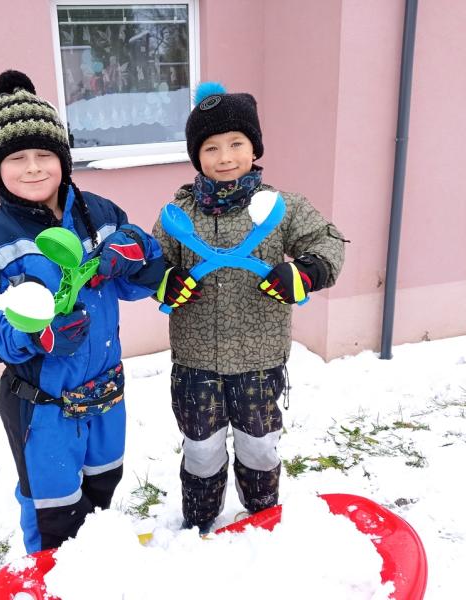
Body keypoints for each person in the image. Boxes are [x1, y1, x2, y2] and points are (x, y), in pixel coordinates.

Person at [0, 69, 165, 553]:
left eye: (44, 154)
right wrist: (35, 336)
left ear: (64, 159)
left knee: (102, 490)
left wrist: (135, 248)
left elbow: (141, 279)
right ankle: (50, 576)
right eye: (17, 157)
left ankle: (96, 562)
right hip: (43, 408)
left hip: (106, 394)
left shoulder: (100, 213)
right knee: (54, 512)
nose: (33, 168)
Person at [152, 82, 347, 534]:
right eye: (211, 147)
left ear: (254, 147)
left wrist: (306, 272)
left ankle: (262, 519)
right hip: (196, 360)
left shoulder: (282, 207)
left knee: (259, 446)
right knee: (201, 449)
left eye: (236, 143)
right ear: (196, 156)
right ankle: (199, 523)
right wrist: (165, 281)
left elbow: (327, 242)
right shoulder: (178, 214)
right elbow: (152, 263)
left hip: (259, 358)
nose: (225, 157)